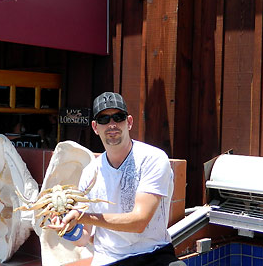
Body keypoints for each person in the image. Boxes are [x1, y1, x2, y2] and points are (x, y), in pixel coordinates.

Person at [49, 92, 185, 266]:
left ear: (129, 122)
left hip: (153, 254)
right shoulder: (90, 173)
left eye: (118, 117)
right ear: (95, 127)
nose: (112, 124)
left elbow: (139, 222)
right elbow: (83, 238)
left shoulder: (153, 158)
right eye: (104, 119)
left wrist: (81, 216)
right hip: (107, 259)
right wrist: (68, 228)